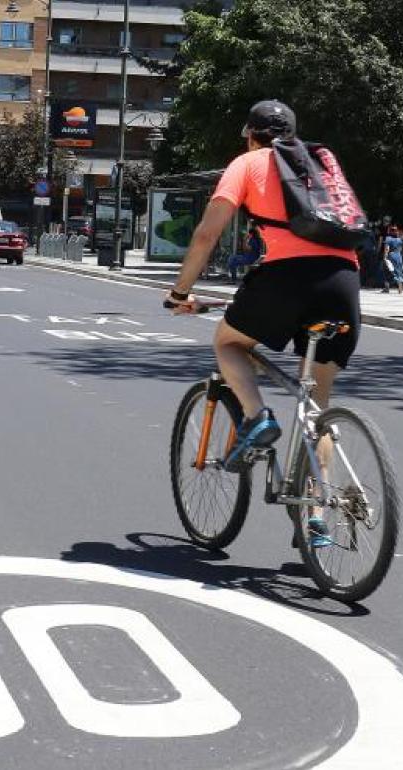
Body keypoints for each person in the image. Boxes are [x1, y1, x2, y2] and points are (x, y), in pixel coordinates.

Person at [165, 100, 361, 498]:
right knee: (316, 409)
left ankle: (256, 417)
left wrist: (179, 292)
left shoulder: (247, 163)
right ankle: (317, 512)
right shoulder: (319, 162)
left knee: (229, 341)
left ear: (251, 136)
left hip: (286, 278)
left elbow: (207, 234)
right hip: (345, 281)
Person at [382, 225, 403, 293]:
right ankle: (400, 288)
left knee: (386, 270)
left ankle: (387, 288)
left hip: (391, 255)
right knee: (398, 271)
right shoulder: (399, 239)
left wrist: (385, 257)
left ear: (390, 231)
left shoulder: (388, 238)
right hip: (398, 255)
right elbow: (400, 249)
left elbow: (387, 248)